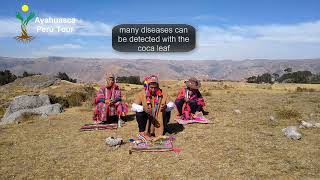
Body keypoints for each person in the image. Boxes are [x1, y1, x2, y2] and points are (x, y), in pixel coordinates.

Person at [131, 75, 175, 141]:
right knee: (139, 113)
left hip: (159, 118)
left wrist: (166, 106)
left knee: (167, 110)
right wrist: (143, 108)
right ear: (148, 86)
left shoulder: (163, 93)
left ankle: (164, 129)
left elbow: (171, 104)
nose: (153, 90)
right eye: (151, 87)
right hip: (147, 118)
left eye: (155, 88)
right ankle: (142, 132)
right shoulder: (142, 93)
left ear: (158, 86)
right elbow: (133, 106)